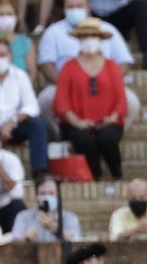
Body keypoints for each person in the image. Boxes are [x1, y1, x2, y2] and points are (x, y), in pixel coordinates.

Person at [35, 0, 139, 136]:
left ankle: (108, 138)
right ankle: (66, 140)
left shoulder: (107, 29)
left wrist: (110, 83)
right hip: (64, 87)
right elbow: (46, 65)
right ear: (64, 9)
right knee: (45, 99)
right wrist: (68, 86)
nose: (75, 10)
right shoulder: (53, 32)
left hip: (106, 86)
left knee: (131, 101)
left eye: (79, 6)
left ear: (88, 7)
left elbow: (124, 61)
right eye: (70, 7)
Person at [52, 17, 128, 180]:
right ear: (79, 40)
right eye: (85, 37)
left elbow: (121, 98)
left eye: (93, 37)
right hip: (76, 122)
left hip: (107, 121)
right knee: (83, 138)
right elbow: (61, 101)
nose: (89, 41)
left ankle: (117, 174)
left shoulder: (111, 66)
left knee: (107, 138)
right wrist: (77, 122)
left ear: (100, 40)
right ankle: (95, 175)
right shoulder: (69, 67)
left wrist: (112, 118)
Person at [0, 38, 49, 177]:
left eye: (2, 54)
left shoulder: (20, 75)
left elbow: (32, 106)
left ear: (10, 55)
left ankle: (40, 173)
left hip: (13, 128)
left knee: (37, 124)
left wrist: (12, 122)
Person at [12, 176, 81, 241]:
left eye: (51, 193)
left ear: (58, 196)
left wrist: (54, 229)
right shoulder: (23, 217)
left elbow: (75, 241)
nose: (47, 197)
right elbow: (14, 244)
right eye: (42, 193)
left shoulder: (70, 217)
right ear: (36, 196)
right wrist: (26, 238)